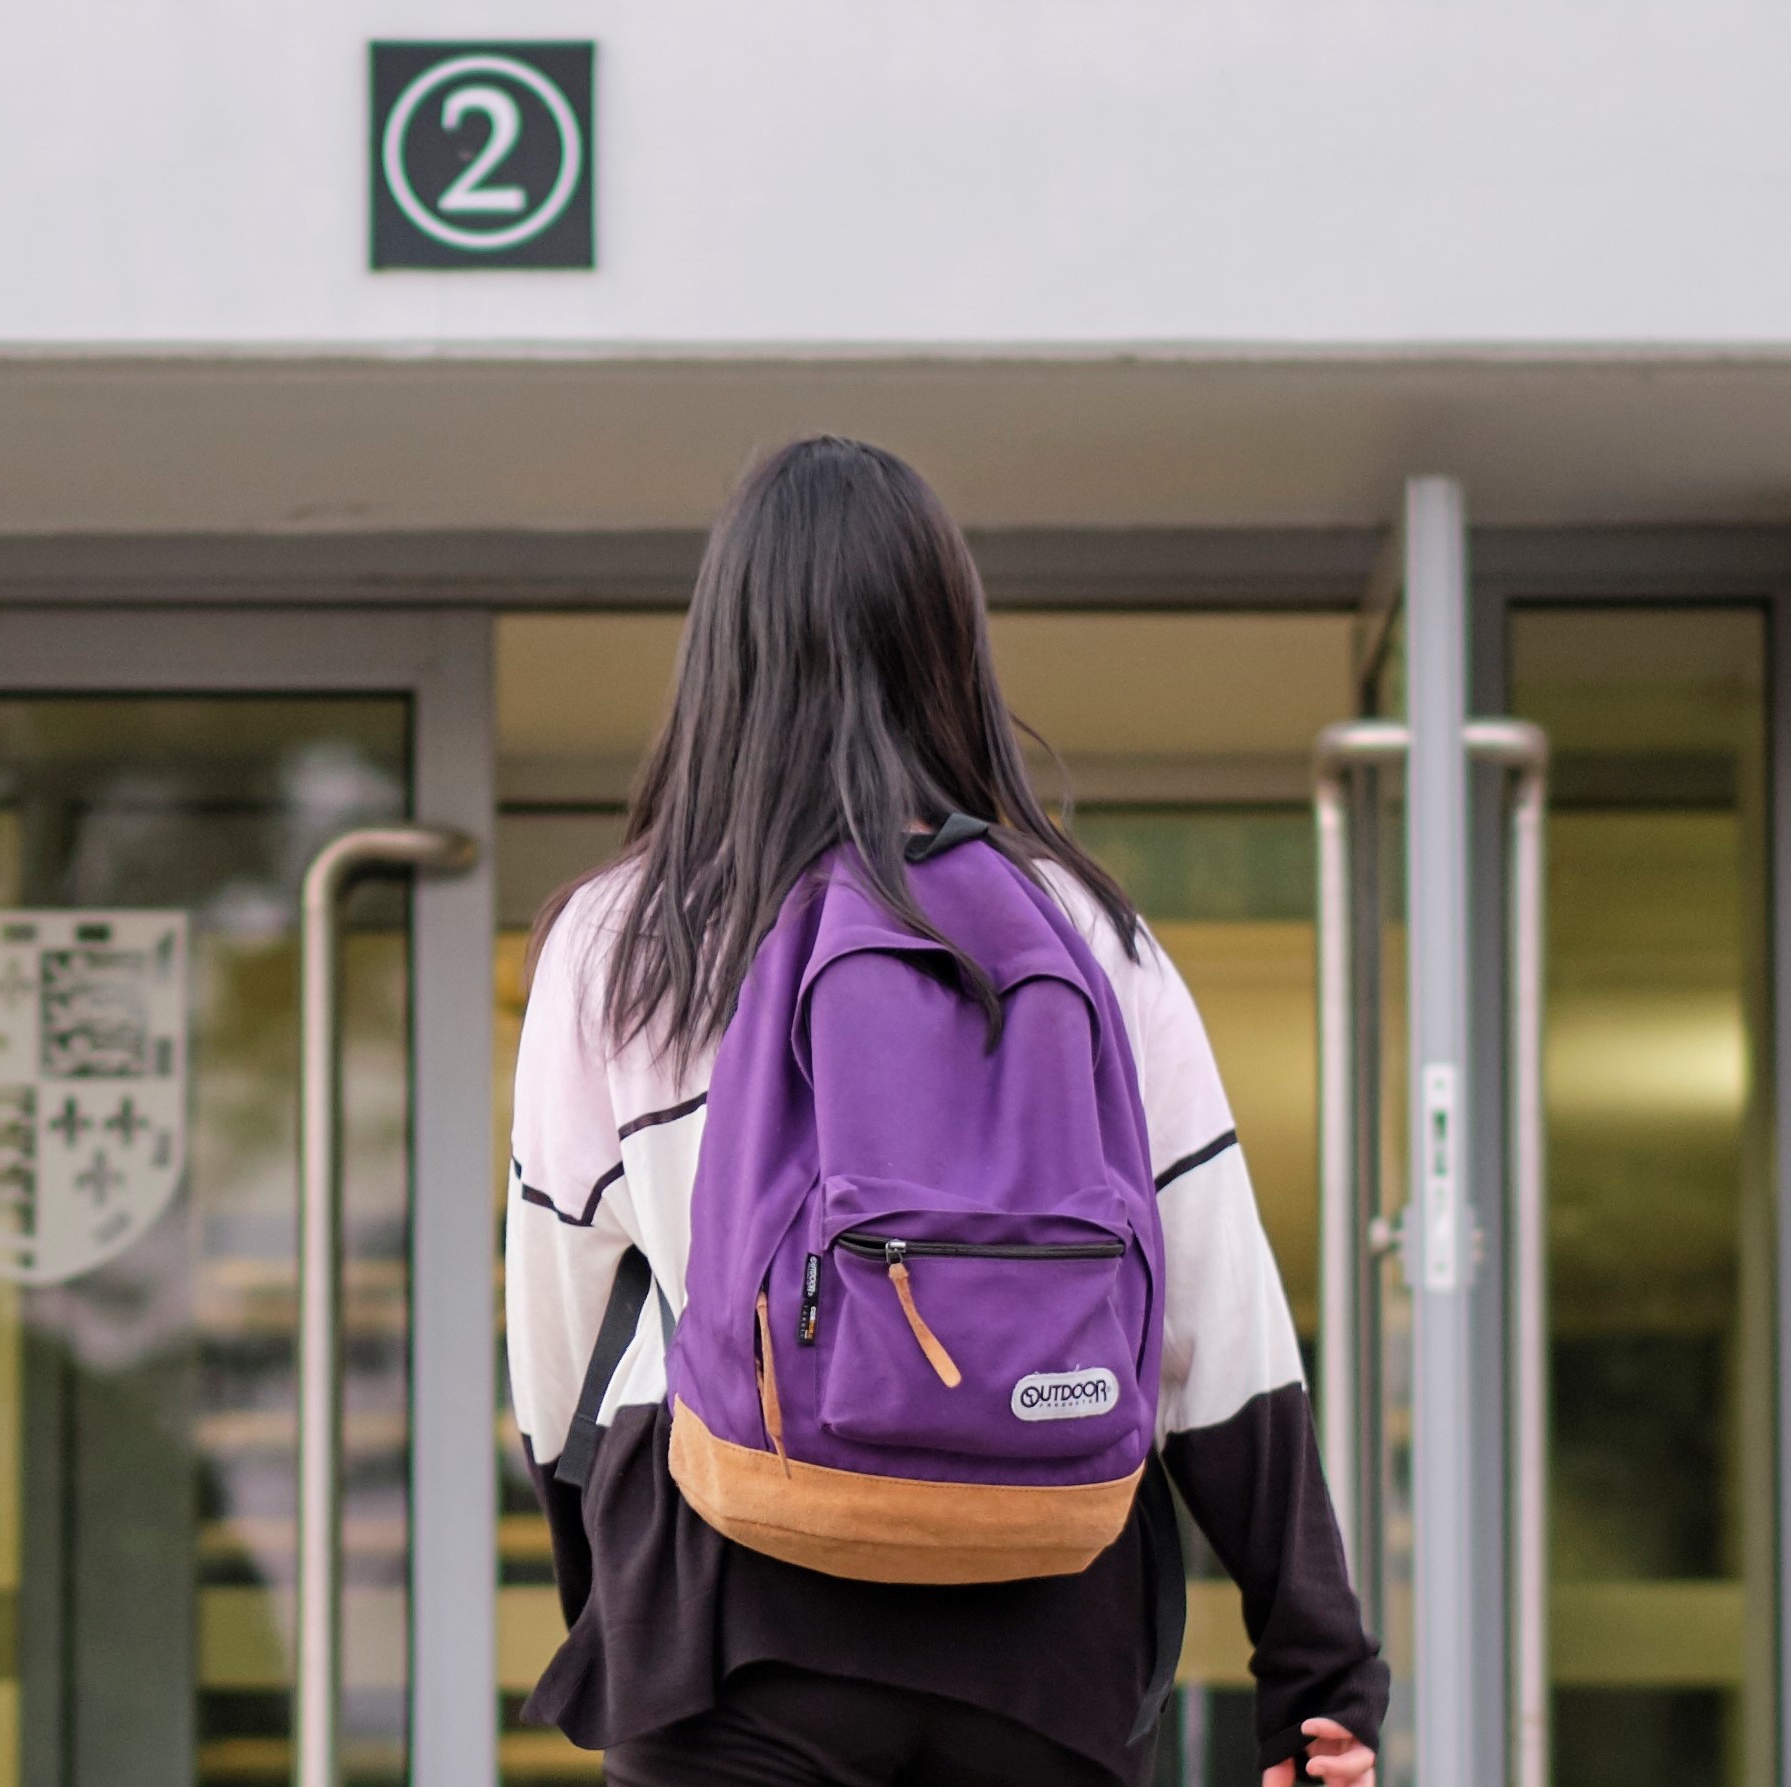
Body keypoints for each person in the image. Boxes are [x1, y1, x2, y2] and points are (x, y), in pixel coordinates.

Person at [507, 437, 1386, 1787]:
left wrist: (612, 1599)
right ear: (948, 647)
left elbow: (563, 1340)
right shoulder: (1086, 937)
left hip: (731, 1625)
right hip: (1047, 1632)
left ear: (725, 655)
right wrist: (1316, 1663)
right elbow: (1221, 1319)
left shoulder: (627, 943)